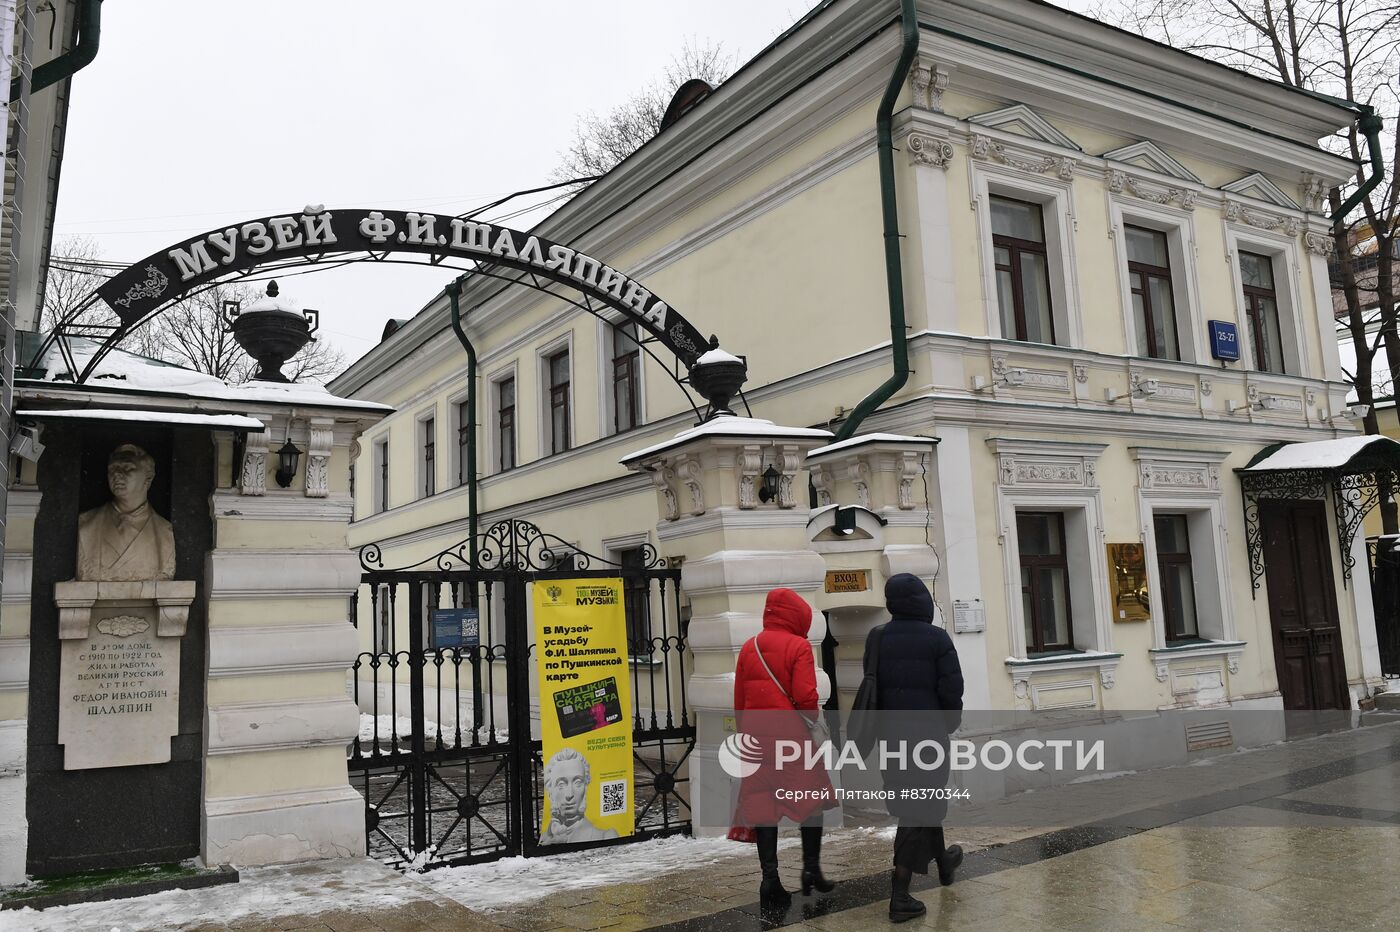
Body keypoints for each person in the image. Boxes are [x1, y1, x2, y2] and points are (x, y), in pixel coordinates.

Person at [868, 573, 965, 923]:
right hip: (928, 740)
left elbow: (873, 689)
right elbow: (952, 689)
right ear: (923, 601)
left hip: (892, 740)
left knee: (920, 802)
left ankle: (944, 863)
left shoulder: (877, 638)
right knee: (916, 808)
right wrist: (946, 725)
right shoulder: (937, 638)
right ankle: (900, 893)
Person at [733, 587, 837, 909]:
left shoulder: (749, 648)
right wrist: (812, 718)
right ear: (796, 616)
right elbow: (806, 700)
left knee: (763, 806)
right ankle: (810, 869)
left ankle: (770, 881)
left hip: (756, 739)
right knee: (811, 802)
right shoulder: (799, 646)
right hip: (791, 740)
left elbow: (739, 701)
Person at [76, 443, 175, 582]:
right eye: (113, 469)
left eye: (127, 468)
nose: (117, 474)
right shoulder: (86, 525)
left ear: (148, 477)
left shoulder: (164, 531)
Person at [539, 747, 619, 844]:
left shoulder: (605, 836)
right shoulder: (545, 837)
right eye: (561, 784)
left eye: (577, 783)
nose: (569, 794)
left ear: (585, 787)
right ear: (550, 792)